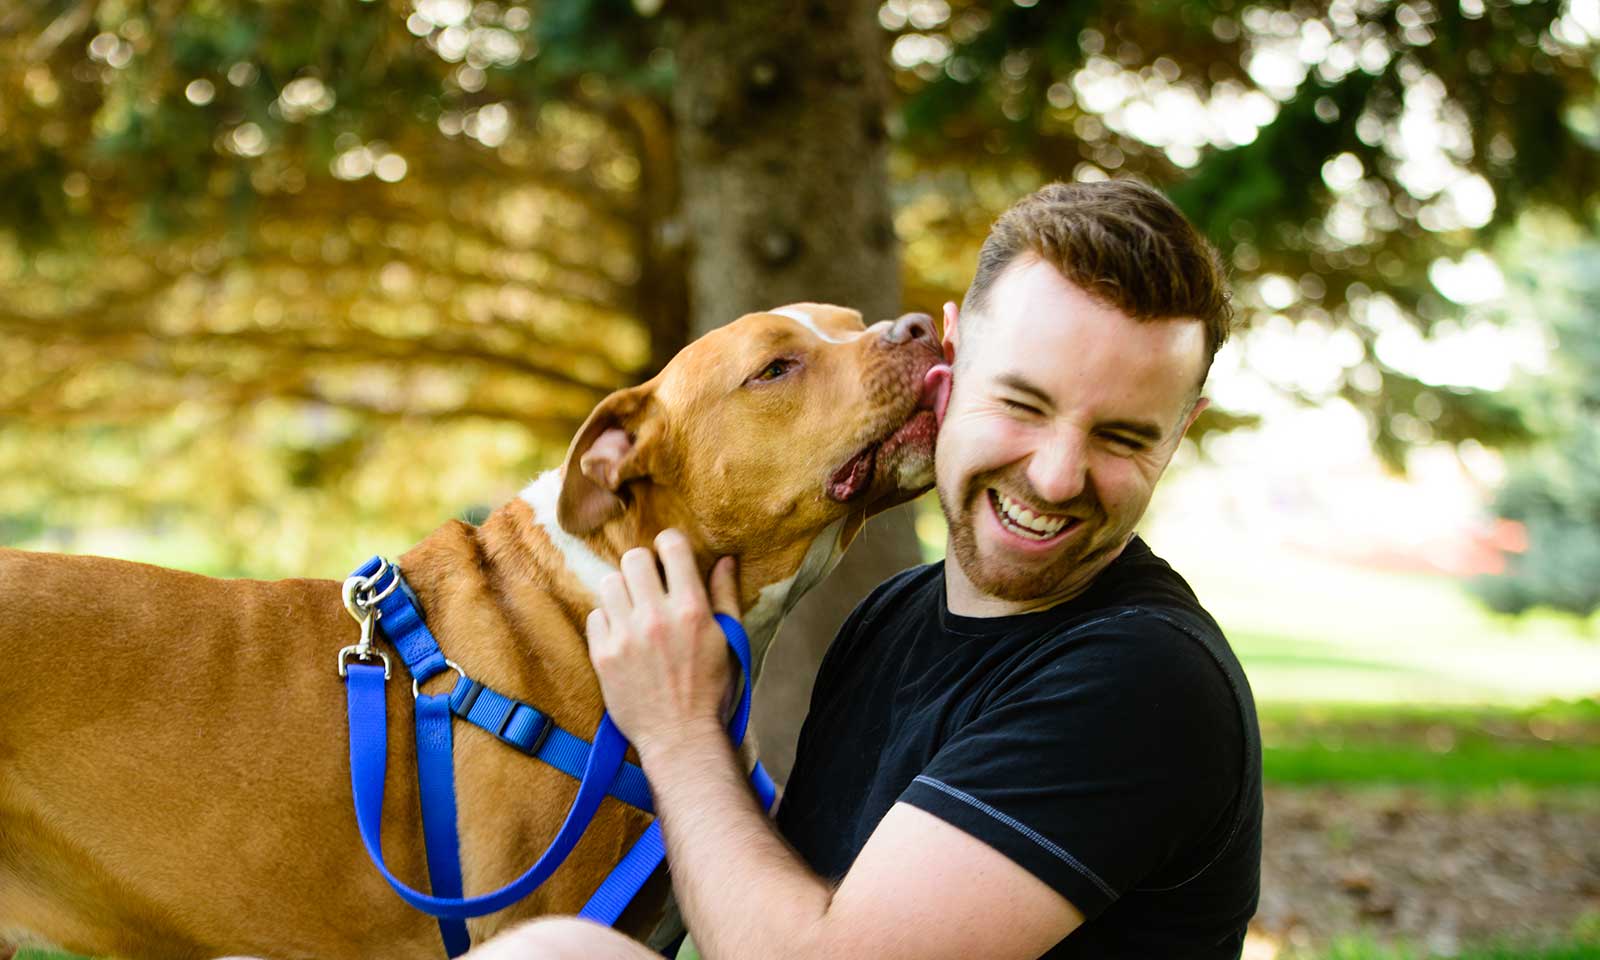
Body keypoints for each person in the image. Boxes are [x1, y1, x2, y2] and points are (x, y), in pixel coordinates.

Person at [477, 179, 1262, 959]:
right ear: (949, 360)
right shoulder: (892, 619)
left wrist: (680, 732)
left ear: (1180, 430)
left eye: (1123, 439)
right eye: (1023, 404)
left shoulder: (1143, 680)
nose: (1056, 477)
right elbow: (774, 901)